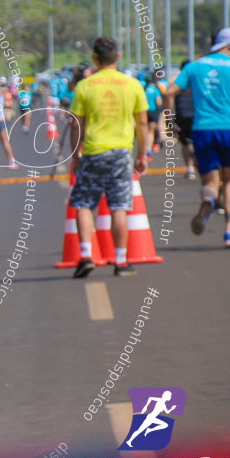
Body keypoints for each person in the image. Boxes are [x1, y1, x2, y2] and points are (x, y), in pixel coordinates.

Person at [164, 28, 230, 248]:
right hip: (229, 129)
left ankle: (208, 200)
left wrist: (170, 123)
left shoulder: (194, 66)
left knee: (209, 182)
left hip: (202, 130)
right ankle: (229, 232)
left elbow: (169, 92)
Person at [68, 37, 149, 278]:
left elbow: (75, 124)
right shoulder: (132, 85)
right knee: (119, 207)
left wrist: (75, 154)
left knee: (83, 204)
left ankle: (85, 255)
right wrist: (142, 154)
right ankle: (121, 261)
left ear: (95, 59)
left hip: (93, 151)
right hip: (122, 153)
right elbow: (142, 122)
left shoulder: (85, 86)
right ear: (118, 56)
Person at [144, 77, 163, 158]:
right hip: (153, 112)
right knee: (151, 132)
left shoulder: (144, 89)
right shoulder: (155, 90)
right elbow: (159, 102)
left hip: (144, 112)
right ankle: (149, 149)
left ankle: (144, 149)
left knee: (145, 131)